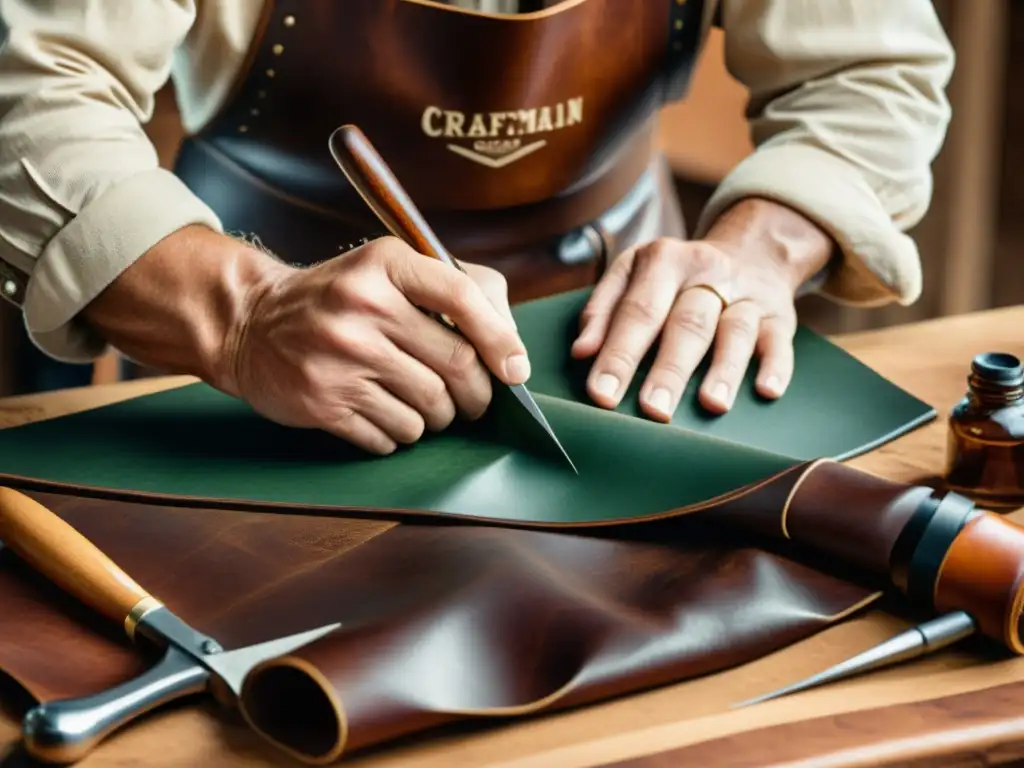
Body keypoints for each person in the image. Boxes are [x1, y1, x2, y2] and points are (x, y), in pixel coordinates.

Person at [0, 0, 953, 455]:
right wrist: (244, 317)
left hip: (613, 361)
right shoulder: (250, 328)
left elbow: (872, 70)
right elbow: (36, 89)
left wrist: (761, 247)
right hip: (259, 381)